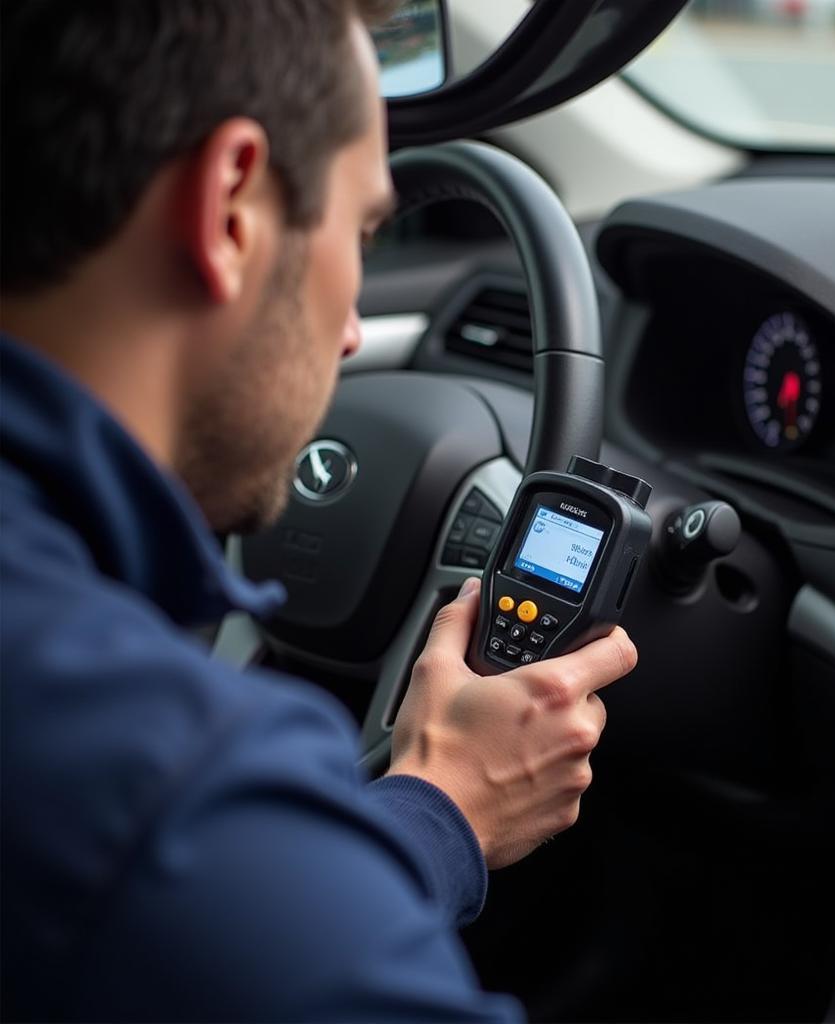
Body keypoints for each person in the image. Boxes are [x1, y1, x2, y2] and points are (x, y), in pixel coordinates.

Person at [0, 1, 638, 1020]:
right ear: (230, 208)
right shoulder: (169, 791)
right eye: (363, 230)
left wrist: (437, 812)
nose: (348, 332)